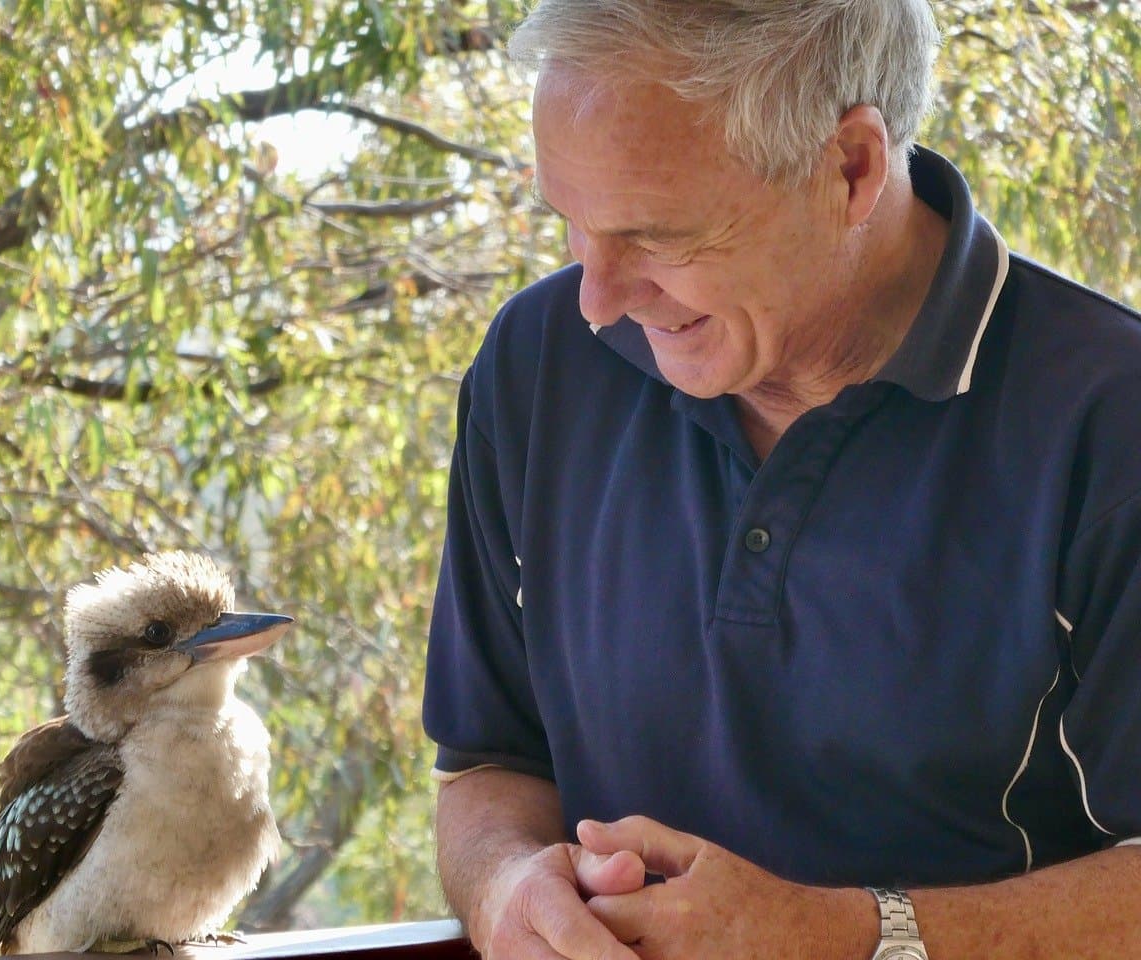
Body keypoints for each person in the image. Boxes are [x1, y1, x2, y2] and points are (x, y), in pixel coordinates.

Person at [421, 1, 1141, 958]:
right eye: (571, 224)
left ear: (850, 168)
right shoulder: (536, 363)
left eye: (659, 235)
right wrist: (506, 885)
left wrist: (843, 937)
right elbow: (488, 765)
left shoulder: (1108, 418)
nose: (597, 300)